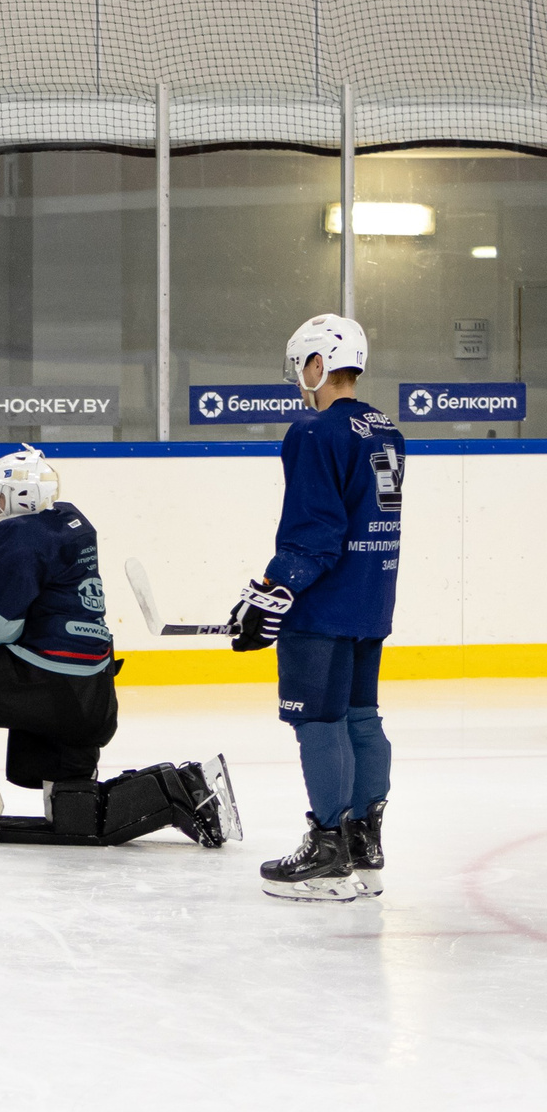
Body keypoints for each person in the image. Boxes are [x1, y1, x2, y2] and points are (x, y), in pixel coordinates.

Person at [0, 447, 233, 848]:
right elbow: (34, 565)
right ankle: (185, 789)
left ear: (19, 497)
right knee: (76, 819)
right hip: (90, 691)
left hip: (45, 679)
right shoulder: (70, 524)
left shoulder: (16, 536)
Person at [227, 314, 403, 903]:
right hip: (370, 599)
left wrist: (274, 588)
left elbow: (314, 532)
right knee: (360, 716)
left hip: (322, 607)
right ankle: (363, 842)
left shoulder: (313, 432)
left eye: (303, 365)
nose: (300, 378)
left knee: (319, 721)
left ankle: (329, 850)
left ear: (318, 364)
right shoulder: (385, 431)